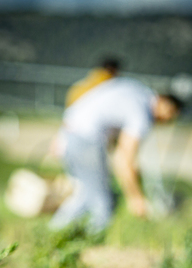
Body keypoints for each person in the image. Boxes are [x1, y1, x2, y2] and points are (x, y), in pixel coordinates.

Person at [50, 77, 182, 232]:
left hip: (70, 134)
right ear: (164, 103)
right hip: (86, 140)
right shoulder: (142, 112)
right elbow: (123, 160)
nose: (166, 121)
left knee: (86, 193)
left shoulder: (136, 90)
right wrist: (136, 198)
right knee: (103, 203)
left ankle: (55, 231)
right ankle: (90, 239)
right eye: (170, 115)